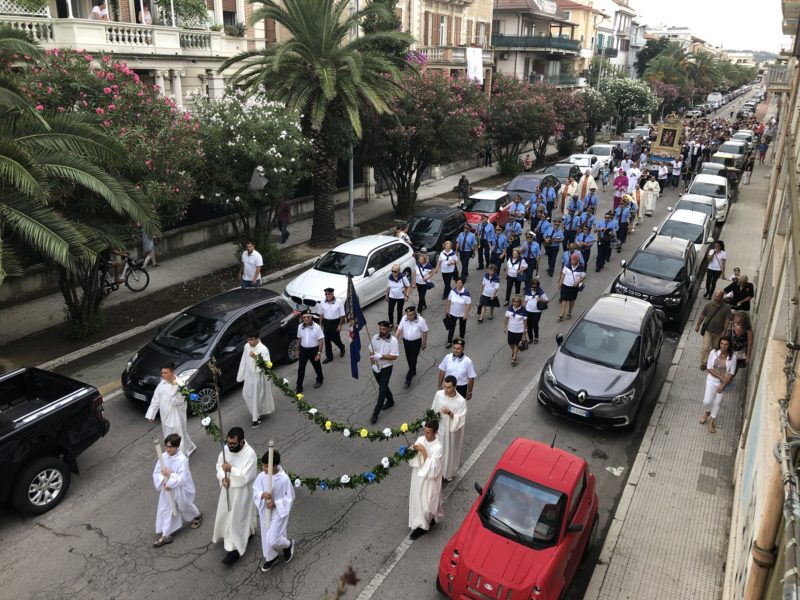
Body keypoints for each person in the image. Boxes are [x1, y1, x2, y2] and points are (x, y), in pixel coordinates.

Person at [212, 428, 257, 564]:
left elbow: (246, 476)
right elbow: (219, 465)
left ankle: (235, 548)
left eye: (233, 443)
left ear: (242, 441)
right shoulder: (226, 450)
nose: (230, 446)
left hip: (242, 492)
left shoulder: (250, 454)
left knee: (238, 518)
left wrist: (231, 469)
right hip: (228, 489)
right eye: (228, 442)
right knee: (227, 514)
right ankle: (245, 532)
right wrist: (223, 478)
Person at [151, 433, 202, 548]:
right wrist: (163, 481)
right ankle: (166, 535)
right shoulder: (163, 457)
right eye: (166, 446)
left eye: (170, 447)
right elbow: (157, 472)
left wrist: (170, 476)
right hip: (167, 488)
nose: (167, 449)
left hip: (181, 489)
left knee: (183, 506)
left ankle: (197, 515)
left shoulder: (182, 460)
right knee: (166, 509)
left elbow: (182, 478)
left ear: (176, 446)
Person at [253, 449, 295, 572]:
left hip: (278, 512)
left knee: (273, 539)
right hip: (265, 510)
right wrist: (262, 495)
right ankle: (271, 557)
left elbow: (290, 497)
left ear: (275, 465)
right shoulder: (261, 476)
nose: (264, 469)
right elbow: (255, 490)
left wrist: (275, 504)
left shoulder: (284, 479)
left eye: (267, 466)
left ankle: (288, 544)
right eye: (263, 465)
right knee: (266, 535)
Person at [145, 362, 196, 457]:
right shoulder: (162, 383)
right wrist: (151, 414)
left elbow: (182, 401)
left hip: (176, 414)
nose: (163, 375)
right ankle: (189, 447)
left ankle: (180, 457)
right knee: (169, 433)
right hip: (165, 414)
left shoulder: (180, 384)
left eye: (166, 373)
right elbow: (156, 398)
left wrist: (174, 392)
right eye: (162, 373)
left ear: (173, 372)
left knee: (177, 435)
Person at [408, 421, 444, 540]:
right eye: (425, 431)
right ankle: (421, 525)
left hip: (429, 480)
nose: (426, 435)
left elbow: (433, 469)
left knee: (427, 504)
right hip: (418, 476)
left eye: (429, 433)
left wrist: (423, 451)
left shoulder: (438, 448)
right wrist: (412, 450)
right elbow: (414, 457)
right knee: (417, 501)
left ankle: (427, 522)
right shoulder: (421, 439)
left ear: (435, 432)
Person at [431, 376, 467, 481]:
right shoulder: (439, 395)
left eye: (449, 387)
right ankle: (437, 473)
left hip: (452, 433)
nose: (446, 390)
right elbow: (433, 410)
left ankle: (448, 473)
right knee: (438, 451)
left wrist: (449, 413)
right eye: (444, 386)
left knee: (450, 454)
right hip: (440, 430)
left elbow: (461, 419)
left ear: (455, 387)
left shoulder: (461, 401)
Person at [236, 333, 274, 428]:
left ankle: (255, 419)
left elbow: (266, 364)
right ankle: (257, 412)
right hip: (249, 376)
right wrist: (241, 375)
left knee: (256, 397)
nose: (250, 342)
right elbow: (244, 360)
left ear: (257, 339)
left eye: (252, 339)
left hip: (258, 377)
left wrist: (256, 357)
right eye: (248, 339)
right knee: (246, 394)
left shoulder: (263, 349)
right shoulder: (246, 346)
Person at [699, 337, 736, 433]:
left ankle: (711, 421)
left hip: (724, 383)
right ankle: (707, 412)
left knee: (717, 402)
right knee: (707, 401)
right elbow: (709, 368)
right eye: (722, 344)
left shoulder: (733, 357)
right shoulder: (713, 353)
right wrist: (720, 377)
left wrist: (723, 385)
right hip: (711, 380)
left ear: (729, 346)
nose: (723, 346)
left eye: (726, 344)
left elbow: (731, 373)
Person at [369, 320, 399, 424]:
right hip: (376, 367)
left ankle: (375, 413)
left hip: (387, 367)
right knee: (384, 386)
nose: (381, 331)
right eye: (380, 328)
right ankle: (390, 401)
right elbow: (371, 351)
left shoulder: (393, 341)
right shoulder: (375, 338)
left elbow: (394, 356)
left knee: (382, 390)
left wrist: (381, 356)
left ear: (388, 329)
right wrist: (373, 364)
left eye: (384, 329)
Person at [695, 290, 732, 370]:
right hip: (708, 331)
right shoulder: (708, 305)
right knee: (705, 348)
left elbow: (727, 320)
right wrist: (698, 325)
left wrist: (724, 331)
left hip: (718, 333)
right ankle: (704, 363)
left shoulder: (726, 308)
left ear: (722, 298)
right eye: (714, 297)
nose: (715, 298)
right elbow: (702, 315)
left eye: (717, 297)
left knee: (715, 349)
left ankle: (711, 362)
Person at [395, 306, 428, 388]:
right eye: (407, 315)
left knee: (413, 359)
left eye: (410, 315)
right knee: (409, 358)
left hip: (416, 342)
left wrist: (424, 343)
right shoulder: (404, 318)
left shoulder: (421, 320)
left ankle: (408, 379)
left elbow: (425, 331)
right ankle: (413, 370)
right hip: (406, 342)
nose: (408, 317)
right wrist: (395, 338)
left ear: (414, 314)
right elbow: (399, 329)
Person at [295, 309, 324, 393]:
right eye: (304, 317)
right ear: (302, 318)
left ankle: (320, 379)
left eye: (308, 317)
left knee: (317, 367)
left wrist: (319, 353)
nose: (306, 319)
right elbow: (299, 339)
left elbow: (321, 340)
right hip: (303, 350)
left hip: (314, 350)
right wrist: (297, 350)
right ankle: (299, 386)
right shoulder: (300, 327)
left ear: (311, 317)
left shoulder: (317, 327)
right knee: (301, 369)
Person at [319, 288, 346, 363]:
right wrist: (320, 325)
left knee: (336, 339)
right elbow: (321, 314)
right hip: (326, 322)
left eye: (329, 294)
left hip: (335, 322)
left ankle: (342, 347)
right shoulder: (322, 302)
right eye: (326, 294)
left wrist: (340, 325)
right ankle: (329, 357)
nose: (327, 295)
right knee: (327, 340)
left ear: (333, 294)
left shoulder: (339, 302)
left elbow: (342, 315)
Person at [558, 252, 585, 321]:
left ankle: (569, 313)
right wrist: (560, 282)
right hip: (565, 285)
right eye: (571, 259)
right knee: (564, 299)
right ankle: (561, 314)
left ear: (577, 261)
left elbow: (583, 276)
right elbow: (563, 274)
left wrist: (577, 282)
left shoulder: (580, 267)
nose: (571, 261)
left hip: (573, 287)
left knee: (571, 300)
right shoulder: (567, 265)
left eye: (573, 260)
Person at [443, 278, 471, 347]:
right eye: (457, 283)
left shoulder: (466, 293)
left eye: (460, 283)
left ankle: (461, 337)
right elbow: (449, 301)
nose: (458, 284)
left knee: (462, 326)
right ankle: (449, 341)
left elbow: (468, 304)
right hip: (453, 313)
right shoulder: (453, 291)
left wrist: (465, 314)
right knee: (451, 328)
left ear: (463, 284)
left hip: (462, 314)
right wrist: (447, 310)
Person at [504, 295, 527, 367]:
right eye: (514, 301)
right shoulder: (509, 308)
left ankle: (514, 358)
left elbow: (525, 321)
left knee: (516, 344)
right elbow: (506, 318)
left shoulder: (523, 310)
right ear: (512, 302)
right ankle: (514, 351)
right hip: (511, 329)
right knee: (510, 343)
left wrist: (524, 331)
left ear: (520, 302)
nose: (515, 303)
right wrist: (505, 327)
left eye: (517, 302)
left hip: (519, 330)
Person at [524, 278, 548, 345]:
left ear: (538, 286)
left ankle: (536, 337)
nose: (533, 288)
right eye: (532, 287)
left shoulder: (540, 292)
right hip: (528, 311)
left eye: (535, 287)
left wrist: (540, 300)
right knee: (529, 326)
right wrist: (524, 310)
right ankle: (530, 338)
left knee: (535, 325)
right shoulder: (528, 291)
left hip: (537, 312)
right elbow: (526, 301)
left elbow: (547, 300)